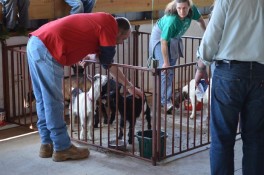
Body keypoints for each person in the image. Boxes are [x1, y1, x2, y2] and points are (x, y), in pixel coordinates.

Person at [26, 12, 143, 162]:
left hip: (36, 43)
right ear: (118, 31)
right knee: (53, 101)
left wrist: (89, 56)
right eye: (123, 39)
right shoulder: (109, 25)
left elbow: (98, 55)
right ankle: (62, 147)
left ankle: (46, 144)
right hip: (48, 48)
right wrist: (130, 86)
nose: (121, 43)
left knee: (43, 98)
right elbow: (108, 63)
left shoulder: (101, 22)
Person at [195, 0, 264, 174]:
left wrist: (202, 66)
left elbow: (212, 34)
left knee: (222, 138)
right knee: (255, 138)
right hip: (260, 75)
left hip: (229, 73)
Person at [149, 0, 206, 114]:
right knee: (166, 69)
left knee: (170, 70)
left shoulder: (193, 10)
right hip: (160, 39)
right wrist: (165, 62)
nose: (182, 11)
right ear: (176, 6)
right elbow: (164, 41)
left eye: (184, 8)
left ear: (189, 7)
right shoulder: (172, 20)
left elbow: (200, 20)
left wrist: (206, 35)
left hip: (174, 38)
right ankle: (164, 102)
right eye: (179, 8)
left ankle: (166, 97)